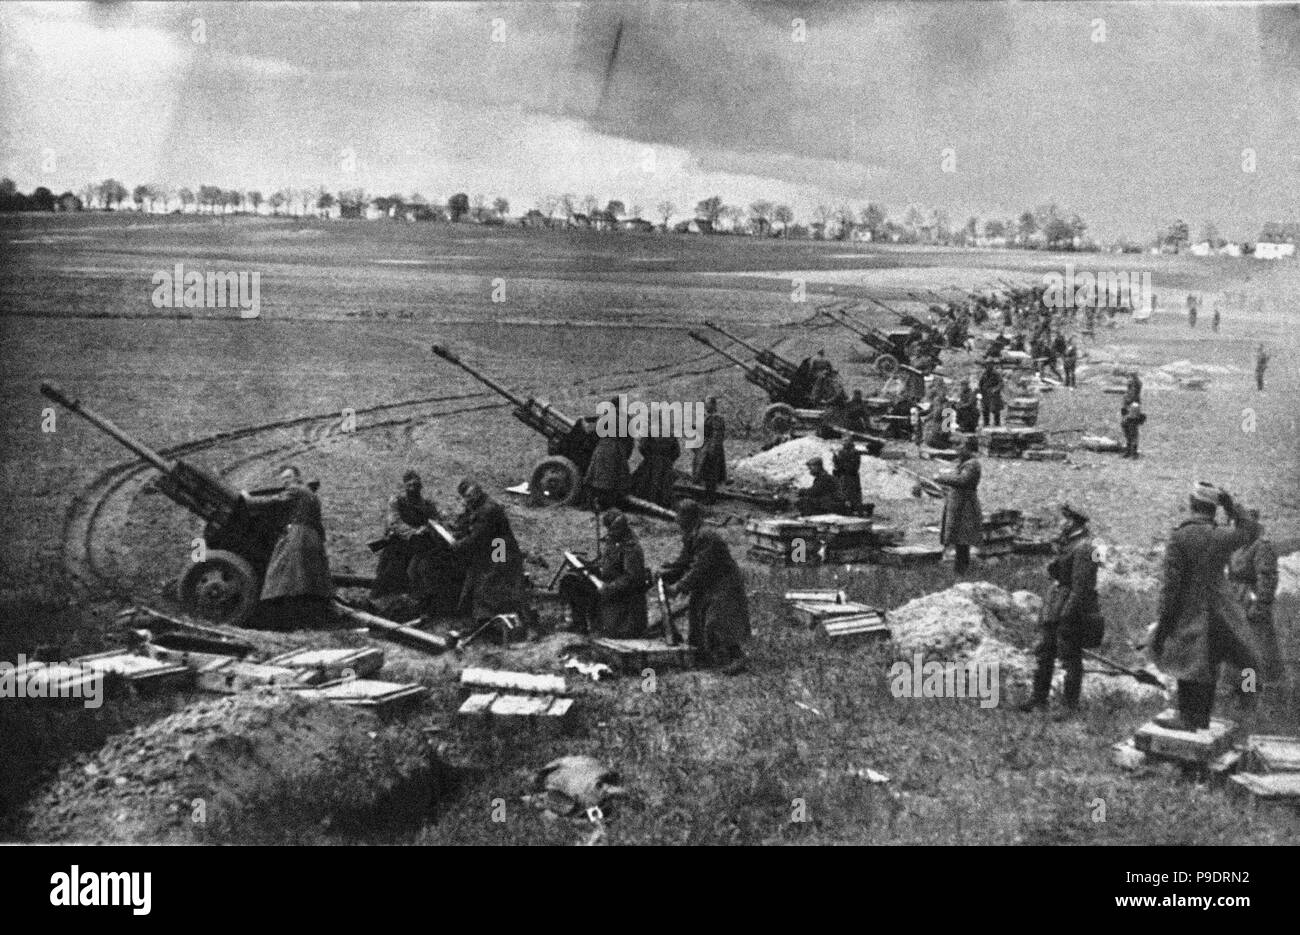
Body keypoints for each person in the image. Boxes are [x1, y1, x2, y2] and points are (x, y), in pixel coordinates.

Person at [1149, 484, 1260, 731]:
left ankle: (1188, 718)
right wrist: (1231, 505)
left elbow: (1171, 587)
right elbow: (1252, 530)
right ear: (1213, 508)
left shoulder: (1181, 536)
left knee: (1188, 663)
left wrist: (1164, 622)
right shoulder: (1221, 535)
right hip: (1222, 611)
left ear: (1192, 503)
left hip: (1190, 610)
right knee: (1210, 663)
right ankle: (1201, 719)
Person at [1019, 505, 1103, 716]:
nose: (1059, 524)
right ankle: (1039, 699)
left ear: (1072, 522)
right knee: (1045, 651)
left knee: (1070, 656)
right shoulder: (1070, 544)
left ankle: (1069, 705)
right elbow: (1058, 571)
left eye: (1062, 520)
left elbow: (1082, 586)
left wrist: (1067, 615)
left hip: (1071, 608)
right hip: (1056, 604)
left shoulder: (1087, 548)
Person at [660, 499, 751, 674]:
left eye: (679, 516)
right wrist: (666, 572)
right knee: (696, 616)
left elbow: (699, 567)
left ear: (689, 517)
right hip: (708, 582)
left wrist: (678, 587)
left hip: (724, 582)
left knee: (717, 620)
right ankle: (702, 656)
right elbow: (684, 562)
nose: (676, 520)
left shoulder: (706, 536)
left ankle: (736, 657)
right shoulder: (691, 534)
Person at [241, 465, 333, 629]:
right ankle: (306, 622)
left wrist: (248, 499)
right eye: (283, 479)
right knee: (306, 581)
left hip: (298, 537)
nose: (285, 481)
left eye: (288, 478)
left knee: (282, 575)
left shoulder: (296, 491)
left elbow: (273, 502)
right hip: (313, 539)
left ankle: (284, 622)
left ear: (297, 478)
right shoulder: (311, 495)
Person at [370, 469, 464, 617]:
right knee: (389, 577)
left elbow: (437, 519)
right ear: (405, 487)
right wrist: (413, 532)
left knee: (418, 571)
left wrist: (427, 528)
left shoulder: (427, 504)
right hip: (399, 545)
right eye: (409, 485)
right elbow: (394, 522)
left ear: (421, 487)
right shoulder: (397, 502)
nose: (413, 488)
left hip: (419, 546)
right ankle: (383, 604)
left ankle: (415, 602)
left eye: (416, 485)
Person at [560, 509, 649, 638]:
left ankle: (597, 626)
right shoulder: (613, 541)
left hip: (623, 597)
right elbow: (606, 563)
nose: (610, 533)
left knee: (610, 628)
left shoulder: (631, 548)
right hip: (606, 584)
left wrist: (608, 588)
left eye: (613, 530)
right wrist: (587, 565)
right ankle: (579, 624)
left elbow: (631, 579)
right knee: (571, 582)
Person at [449, 478, 529, 621]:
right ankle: (481, 616)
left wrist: (458, 545)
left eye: (470, 496)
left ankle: (494, 618)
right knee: (481, 576)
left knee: (494, 578)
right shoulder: (476, 505)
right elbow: (466, 525)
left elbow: (478, 537)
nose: (468, 500)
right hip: (491, 545)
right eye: (466, 497)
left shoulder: (488, 509)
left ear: (478, 493)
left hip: (501, 546)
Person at [1227, 511, 1282, 686]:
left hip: (1251, 601)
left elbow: (1267, 579)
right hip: (1236, 600)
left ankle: (1253, 688)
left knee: (1255, 647)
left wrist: (1259, 607)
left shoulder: (1261, 546)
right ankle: (1238, 687)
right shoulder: (1238, 546)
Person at [935, 437, 982, 573]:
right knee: (958, 537)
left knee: (963, 538)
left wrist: (941, 478)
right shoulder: (965, 463)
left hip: (965, 505)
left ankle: (961, 569)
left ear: (969, 448)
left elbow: (963, 480)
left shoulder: (972, 464)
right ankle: (959, 568)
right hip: (959, 505)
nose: (958, 449)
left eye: (961, 446)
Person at [585, 398, 633, 512]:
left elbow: (592, 431)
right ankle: (614, 503)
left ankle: (598, 503)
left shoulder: (606, 416)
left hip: (604, 447)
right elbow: (630, 439)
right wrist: (626, 453)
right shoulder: (626, 419)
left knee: (599, 478)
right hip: (619, 449)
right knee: (617, 479)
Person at [630, 434, 681, 508]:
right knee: (665, 485)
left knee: (644, 483)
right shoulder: (670, 435)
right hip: (665, 466)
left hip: (650, 464)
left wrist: (650, 456)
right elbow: (676, 452)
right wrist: (668, 460)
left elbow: (642, 447)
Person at [693, 396, 726, 502]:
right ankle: (707, 494)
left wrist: (711, 450)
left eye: (708, 404)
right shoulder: (709, 416)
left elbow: (717, 435)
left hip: (712, 448)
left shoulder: (717, 418)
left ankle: (710, 497)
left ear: (713, 405)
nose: (706, 406)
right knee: (706, 472)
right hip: (705, 446)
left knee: (711, 473)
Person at [831, 437, 863, 514]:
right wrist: (835, 458)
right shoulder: (841, 452)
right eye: (844, 441)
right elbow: (838, 464)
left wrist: (842, 466)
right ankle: (845, 507)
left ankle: (856, 507)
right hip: (844, 476)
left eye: (847, 441)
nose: (845, 443)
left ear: (851, 443)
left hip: (852, 476)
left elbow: (854, 466)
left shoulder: (855, 452)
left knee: (853, 493)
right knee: (844, 492)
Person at [978, 362, 1003, 427]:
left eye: (990, 365)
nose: (988, 366)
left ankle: (997, 423)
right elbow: (980, 383)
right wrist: (980, 392)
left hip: (994, 394)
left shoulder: (996, 374)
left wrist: (995, 389)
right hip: (985, 393)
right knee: (985, 409)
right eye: (987, 365)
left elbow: (1001, 384)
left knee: (996, 409)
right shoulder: (984, 374)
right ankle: (986, 423)